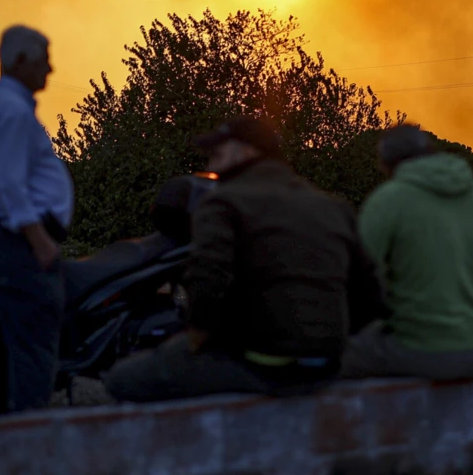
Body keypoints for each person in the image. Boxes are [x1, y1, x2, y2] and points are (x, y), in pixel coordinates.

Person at [104, 115, 386, 403]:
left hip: (262, 364)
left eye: (218, 153)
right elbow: (370, 295)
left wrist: (196, 339)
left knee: (122, 379)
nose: (210, 165)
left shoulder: (223, 202)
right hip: (326, 364)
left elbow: (208, 280)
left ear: (249, 151)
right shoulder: (333, 207)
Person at [0, 25, 73, 416]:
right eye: (45, 59)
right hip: (15, 242)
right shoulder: (10, 110)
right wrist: (39, 239)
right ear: (21, 61)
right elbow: (10, 182)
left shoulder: (1, 104)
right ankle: (30, 435)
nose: (51, 68)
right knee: (34, 341)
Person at [341, 125, 473, 381]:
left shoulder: (389, 200)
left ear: (387, 164)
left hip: (422, 348)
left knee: (330, 361)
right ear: (430, 150)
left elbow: (358, 278)